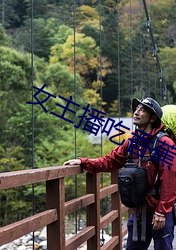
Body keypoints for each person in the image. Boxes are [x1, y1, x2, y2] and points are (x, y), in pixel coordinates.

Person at [63, 97, 176, 250]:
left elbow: (170, 180)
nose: (136, 112)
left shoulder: (164, 143)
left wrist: (162, 212)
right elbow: (110, 161)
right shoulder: (131, 142)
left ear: (153, 118)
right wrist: (83, 162)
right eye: (136, 109)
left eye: (142, 110)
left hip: (159, 211)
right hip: (139, 211)